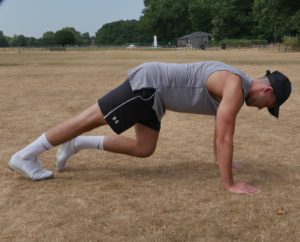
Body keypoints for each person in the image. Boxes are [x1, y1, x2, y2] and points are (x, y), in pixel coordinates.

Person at [8, 61, 292, 195]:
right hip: (148, 86)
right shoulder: (234, 85)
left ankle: (77, 144)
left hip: (156, 100)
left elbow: (219, 132)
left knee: (145, 148)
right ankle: (25, 156)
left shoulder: (237, 87)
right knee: (86, 119)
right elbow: (224, 138)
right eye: (268, 105)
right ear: (267, 90)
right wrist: (229, 183)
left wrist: (220, 160)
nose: (261, 108)